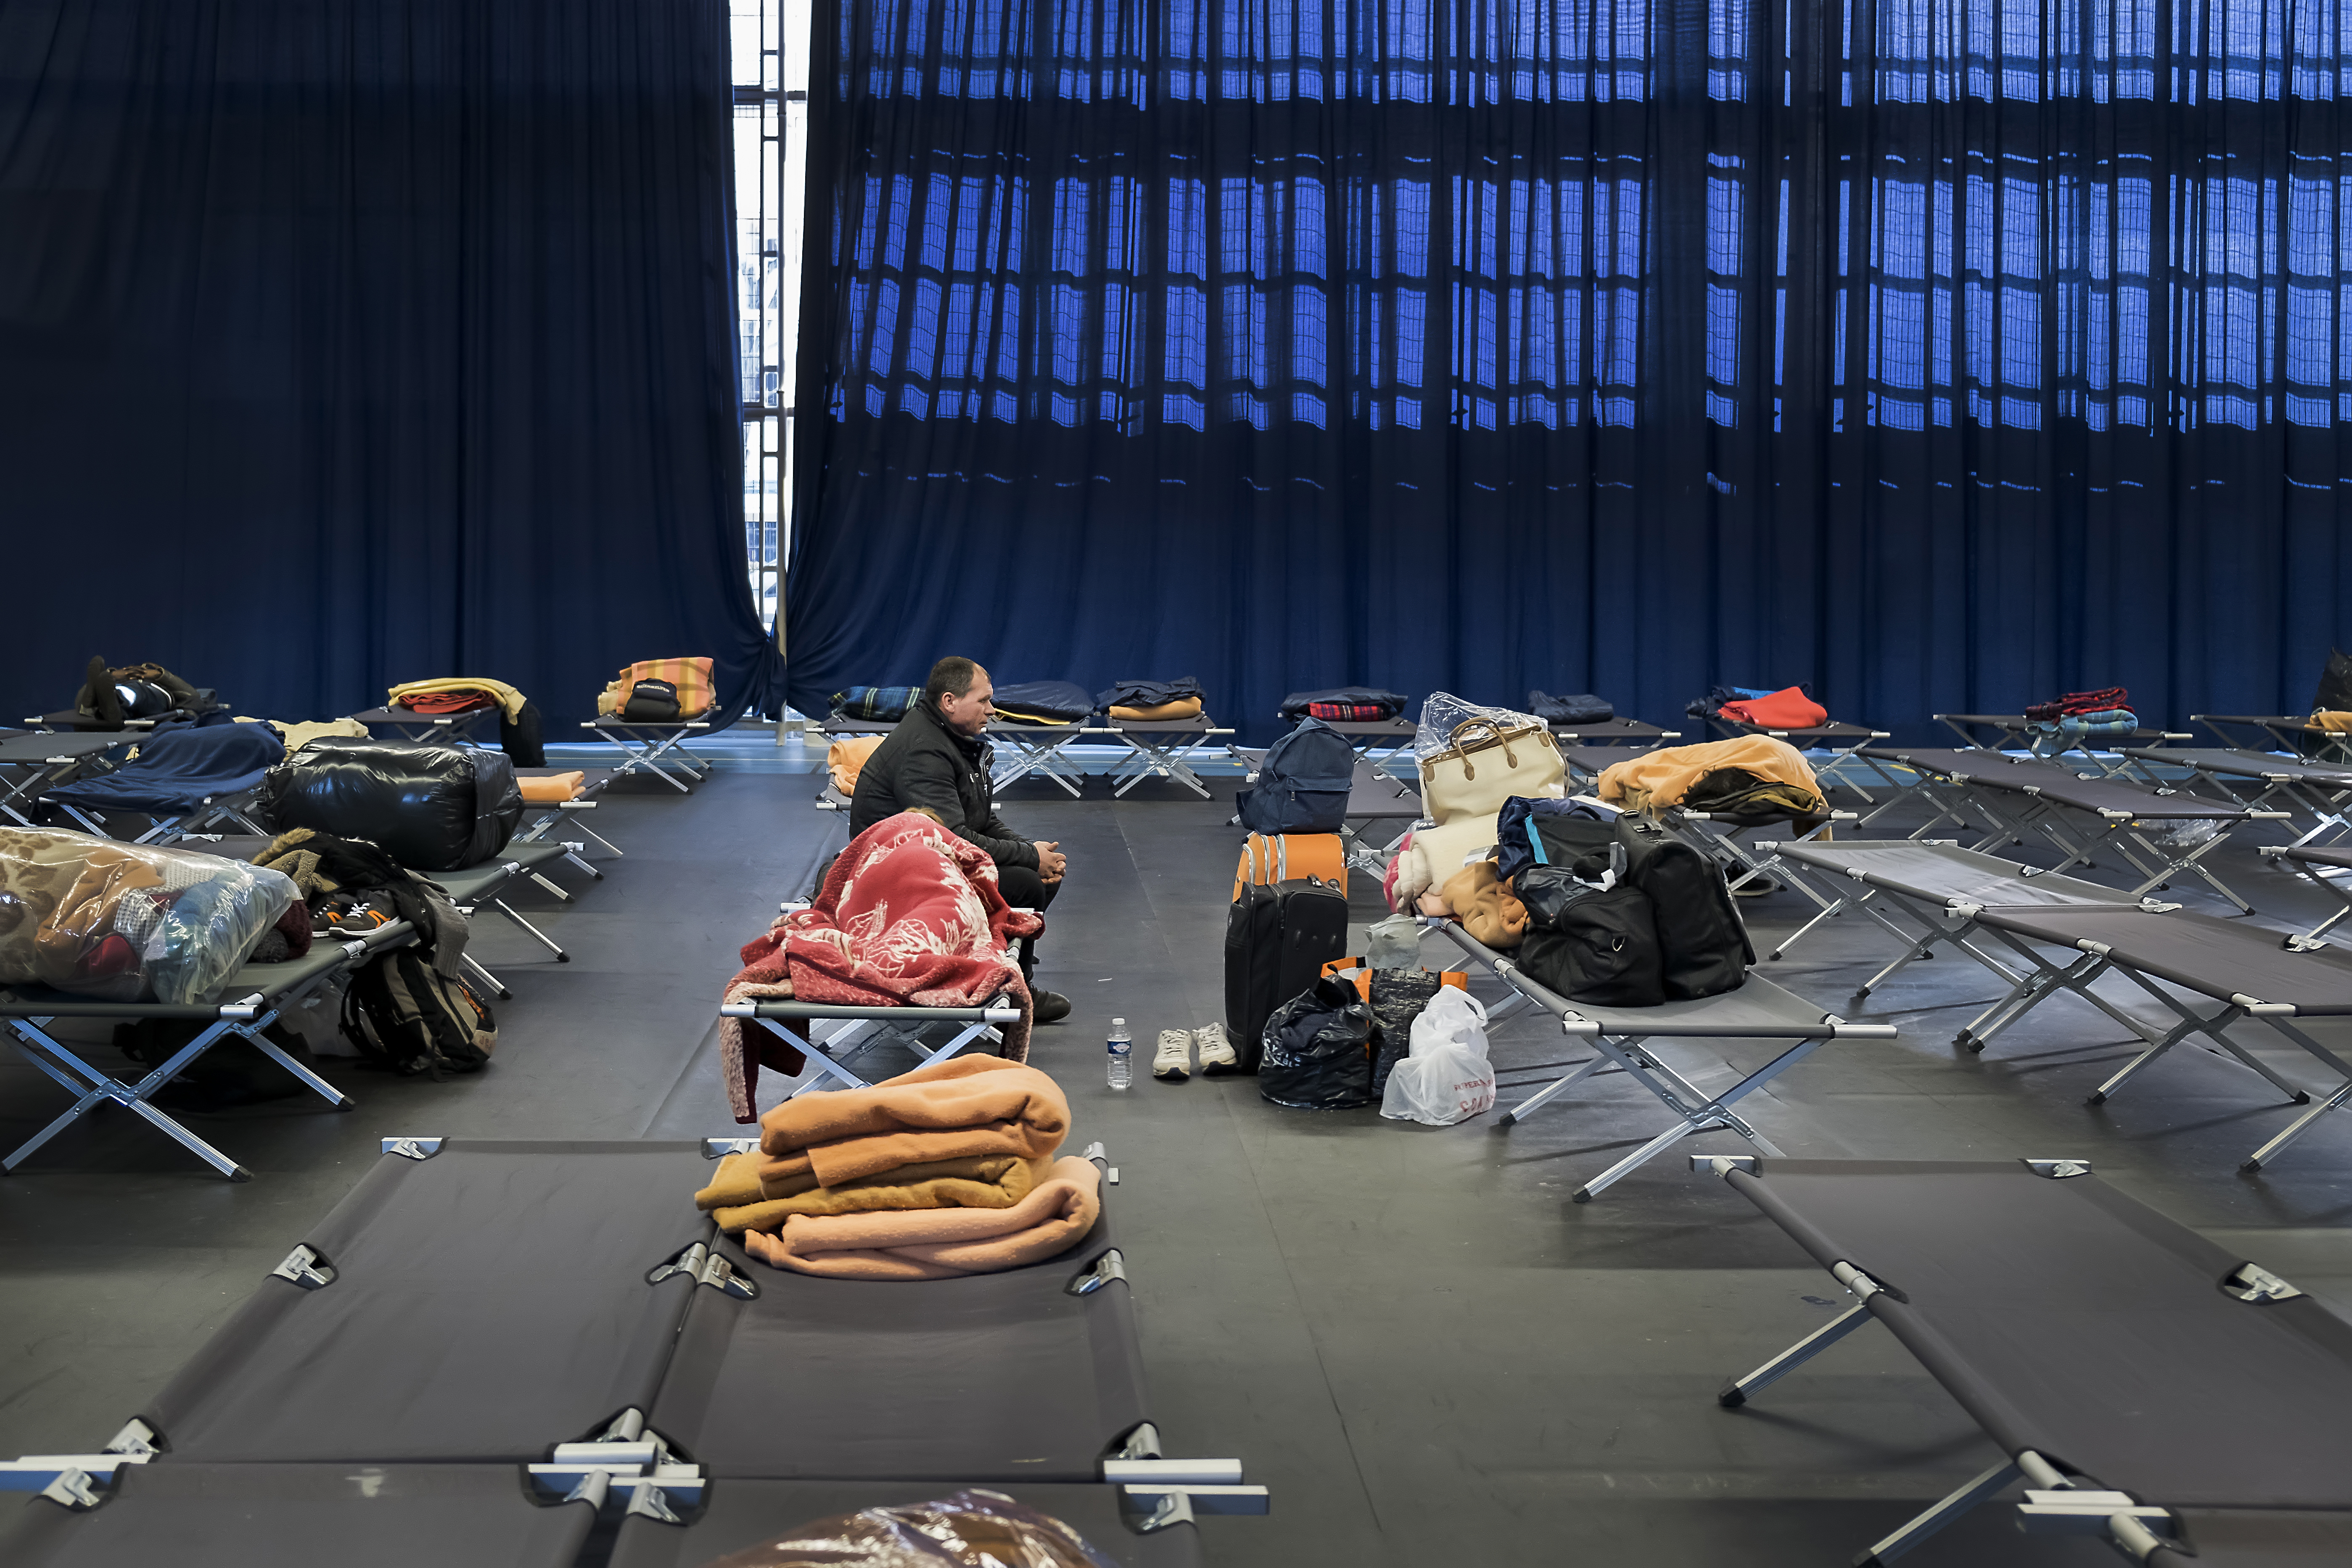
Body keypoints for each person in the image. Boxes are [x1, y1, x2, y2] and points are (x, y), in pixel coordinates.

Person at [848, 656, 1072, 1023]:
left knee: (1037, 874)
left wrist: (1032, 850)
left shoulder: (952, 739)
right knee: (1027, 885)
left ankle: (992, 963)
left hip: (922, 859)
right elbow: (954, 838)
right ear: (949, 701)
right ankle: (1017, 991)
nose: (992, 710)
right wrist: (1028, 858)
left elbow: (979, 818)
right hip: (891, 879)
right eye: (983, 701)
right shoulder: (926, 750)